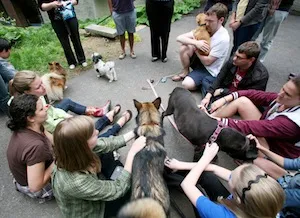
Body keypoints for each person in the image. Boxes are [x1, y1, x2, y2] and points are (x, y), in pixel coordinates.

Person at [52, 115, 146, 218]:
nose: (97, 132)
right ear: (83, 145)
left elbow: (106, 144)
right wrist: (132, 152)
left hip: (90, 189)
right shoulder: (75, 182)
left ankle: (117, 175)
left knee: (106, 153)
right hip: (95, 212)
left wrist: (135, 131)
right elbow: (118, 189)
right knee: (132, 189)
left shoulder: (71, 153)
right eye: (92, 134)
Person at [165, 143, 285, 218]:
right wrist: (180, 165)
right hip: (237, 206)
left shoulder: (220, 215)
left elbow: (187, 185)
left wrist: (205, 158)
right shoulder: (255, 192)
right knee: (208, 177)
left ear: (237, 197)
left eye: (231, 179)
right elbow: (215, 169)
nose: (230, 175)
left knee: (194, 189)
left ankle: (164, 177)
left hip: (215, 213)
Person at [210, 75, 300, 158]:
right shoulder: (285, 100)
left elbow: (249, 127)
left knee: (250, 133)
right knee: (242, 101)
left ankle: (255, 162)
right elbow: (253, 94)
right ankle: (208, 120)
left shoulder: (292, 122)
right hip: (269, 136)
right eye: (283, 88)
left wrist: (209, 120)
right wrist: (224, 99)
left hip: (278, 154)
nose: (281, 94)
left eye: (287, 94)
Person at [9, 70, 114, 133]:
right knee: (83, 130)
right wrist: (68, 120)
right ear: (26, 91)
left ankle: (96, 112)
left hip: (49, 119)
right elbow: (49, 125)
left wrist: (65, 116)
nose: (44, 87)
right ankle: (105, 121)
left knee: (67, 102)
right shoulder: (30, 109)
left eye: (42, 82)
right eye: (38, 87)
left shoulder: (36, 97)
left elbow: (51, 110)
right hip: (51, 129)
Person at [173, 3, 230, 97]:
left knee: (186, 84)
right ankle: (185, 72)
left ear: (221, 20)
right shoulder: (206, 27)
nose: (207, 24)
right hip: (200, 60)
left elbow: (208, 62)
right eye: (206, 20)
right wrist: (196, 43)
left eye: (211, 21)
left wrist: (195, 48)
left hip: (209, 69)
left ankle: (201, 81)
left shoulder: (223, 38)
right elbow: (179, 38)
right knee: (184, 46)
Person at [6, 94, 54, 201]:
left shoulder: (31, 127)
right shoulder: (36, 146)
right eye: (41, 109)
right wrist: (58, 162)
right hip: (37, 187)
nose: (46, 108)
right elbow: (35, 187)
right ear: (31, 118)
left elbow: (52, 139)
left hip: (28, 173)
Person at [201, 41, 269, 108]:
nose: (234, 58)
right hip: (226, 87)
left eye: (239, 57)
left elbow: (249, 96)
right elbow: (220, 77)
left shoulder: (260, 75)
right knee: (207, 80)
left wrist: (223, 91)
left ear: (251, 59)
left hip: (238, 98)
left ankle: (215, 104)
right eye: (235, 55)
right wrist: (208, 96)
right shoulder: (234, 61)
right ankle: (212, 103)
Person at [252, 135, 300, 217]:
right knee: (255, 161)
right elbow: (290, 163)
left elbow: (278, 198)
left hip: (289, 210)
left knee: (254, 195)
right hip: (291, 184)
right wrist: (260, 147)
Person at [37, 0, 87, 70]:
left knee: (76, 38)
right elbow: (42, 7)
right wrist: (52, 4)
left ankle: (82, 60)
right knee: (64, 42)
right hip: (56, 20)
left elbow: (76, 1)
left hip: (70, 16)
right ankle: (71, 62)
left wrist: (66, 3)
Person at [0, 38, 16, 115]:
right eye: (8, 49)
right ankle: (12, 115)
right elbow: (12, 76)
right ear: (3, 50)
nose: (10, 52)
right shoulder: (2, 63)